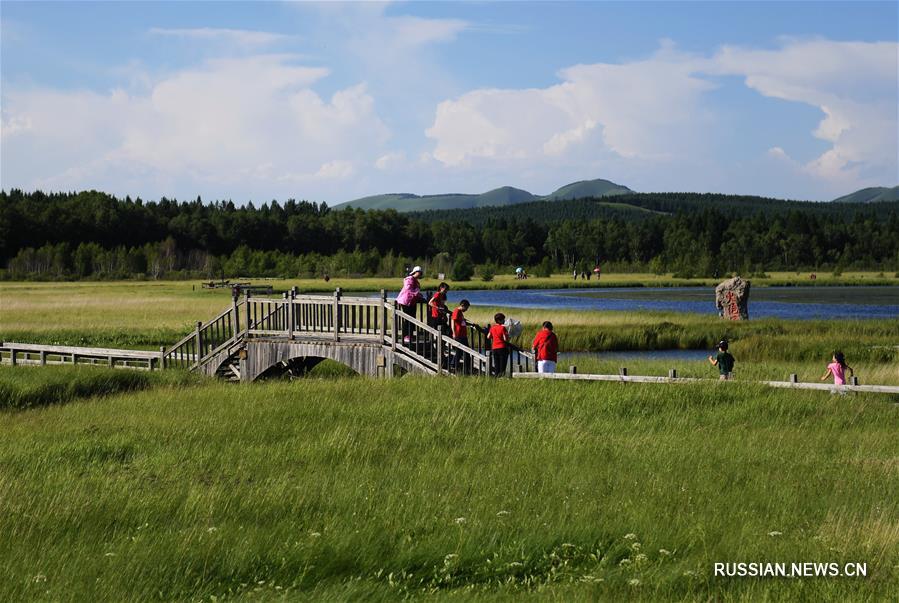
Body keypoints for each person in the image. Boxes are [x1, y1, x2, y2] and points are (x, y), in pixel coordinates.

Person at [396, 266, 425, 344]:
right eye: (419, 272)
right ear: (415, 272)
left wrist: (419, 296)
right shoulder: (409, 279)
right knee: (407, 319)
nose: (420, 274)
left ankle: (410, 336)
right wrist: (417, 293)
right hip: (406, 301)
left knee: (412, 319)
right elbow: (408, 289)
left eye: (421, 273)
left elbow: (415, 291)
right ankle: (405, 336)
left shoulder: (416, 281)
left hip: (412, 302)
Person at [450, 299, 471, 374]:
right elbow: (453, 322)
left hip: (462, 335)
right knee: (463, 351)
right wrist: (454, 333)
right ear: (462, 305)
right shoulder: (457, 311)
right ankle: (454, 366)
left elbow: (462, 322)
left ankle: (456, 366)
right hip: (459, 335)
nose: (466, 310)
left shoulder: (460, 312)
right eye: (466, 308)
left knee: (461, 352)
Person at [487, 312, 509, 377]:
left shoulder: (492, 327)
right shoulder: (503, 328)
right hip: (502, 348)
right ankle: (501, 377)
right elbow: (505, 339)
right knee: (502, 365)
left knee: (496, 364)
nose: (504, 321)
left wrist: (494, 337)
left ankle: (496, 377)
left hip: (494, 348)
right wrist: (508, 336)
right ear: (499, 320)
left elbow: (488, 336)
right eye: (503, 319)